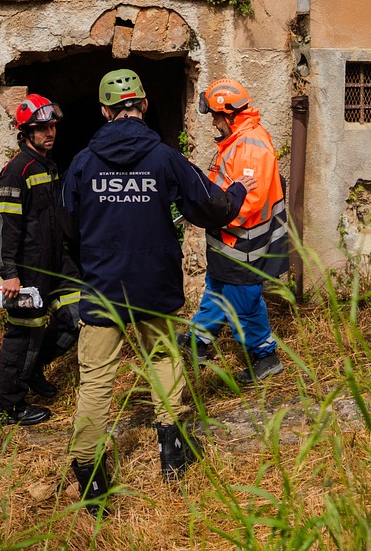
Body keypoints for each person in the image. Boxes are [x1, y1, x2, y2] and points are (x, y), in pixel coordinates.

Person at [61, 68, 253, 514]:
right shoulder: (166, 159)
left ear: (105, 111)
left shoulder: (83, 164)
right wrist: (241, 188)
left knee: (95, 379)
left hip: (102, 290)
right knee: (164, 359)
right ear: (143, 106)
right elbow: (213, 208)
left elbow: (67, 225)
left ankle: (90, 479)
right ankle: (173, 454)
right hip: (155, 287)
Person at [181, 77, 289, 384]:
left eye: (216, 116)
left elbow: (245, 206)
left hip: (245, 244)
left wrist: (210, 217)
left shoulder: (252, 149)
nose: (213, 123)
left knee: (243, 302)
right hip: (229, 243)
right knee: (217, 289)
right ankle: (198, 341)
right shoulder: (237, 141)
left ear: (230, 113)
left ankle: (265, 355)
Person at [0, 93, 81, 426]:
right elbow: (5, 227)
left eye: (52, 127)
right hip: (28, 271)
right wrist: (10, 273)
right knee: (23, 336)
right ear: (26, 132)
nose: (50, 133)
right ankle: (11, 407)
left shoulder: (48, 165)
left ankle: (31, 370)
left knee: (78, 313)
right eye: (42, 128)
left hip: (57, 265)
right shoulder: (16, 171)